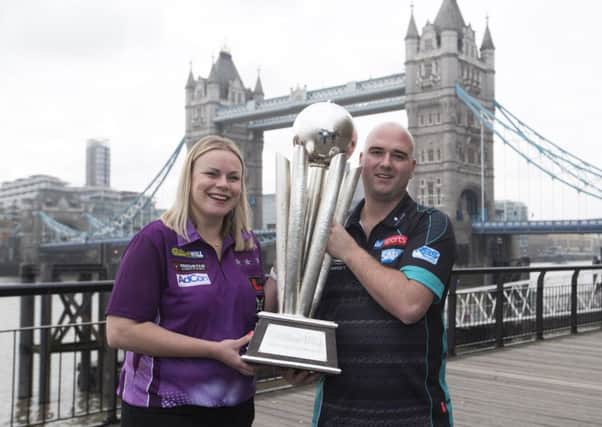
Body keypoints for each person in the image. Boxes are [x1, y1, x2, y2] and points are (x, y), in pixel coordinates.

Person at [287, 122, 456, 426]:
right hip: (335, 415)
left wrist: (348, 251)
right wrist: (290, 360)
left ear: (412, 167)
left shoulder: (431, 225)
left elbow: (409, 305)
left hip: (414, 416)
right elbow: (294, 309)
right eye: (377, 152)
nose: (386, 163)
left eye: (398, 155)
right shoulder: (331, 227)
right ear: (362, 159)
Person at [106, 135, 273, 427]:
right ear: (189, 179)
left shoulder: (248, 244)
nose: (223, 184)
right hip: (164, 410)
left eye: (233, 178)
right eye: (212, 173)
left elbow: (256, 316)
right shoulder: (155, 240)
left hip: (236, 406)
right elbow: (121, 332)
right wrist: (212, 350)